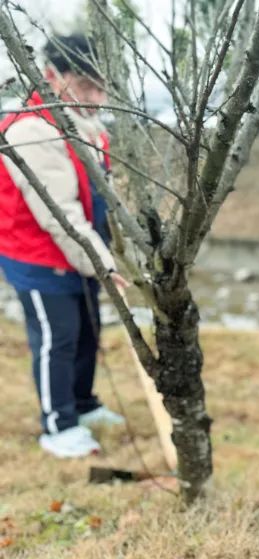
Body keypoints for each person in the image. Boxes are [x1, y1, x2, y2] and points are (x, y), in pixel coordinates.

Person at [0, 33, 129, 459]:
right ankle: (58, 426)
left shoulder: (85, 125)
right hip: (37, 254)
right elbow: (61, 217)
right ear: (54, 76)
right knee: (58, 337)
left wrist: (106, 256)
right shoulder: (32, 130)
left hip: (80, 252)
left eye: (101, 85)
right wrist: (102, 264)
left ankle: (84, 403)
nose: (97, 96)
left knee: (88, 330)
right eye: (87, 85)